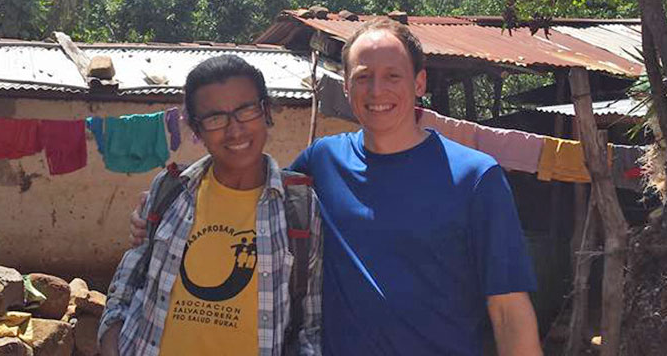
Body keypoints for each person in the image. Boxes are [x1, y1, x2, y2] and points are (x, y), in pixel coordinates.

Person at [131, 18, 541, 355]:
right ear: (346, 87)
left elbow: (508, 312)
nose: (377, 91)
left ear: (419, 83)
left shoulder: (475, 177)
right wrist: (161, 210)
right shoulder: (322, 163)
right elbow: (249, 194)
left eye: (392, 76)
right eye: (363, 78)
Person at [101, 55, 323, 356]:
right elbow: (131, 274)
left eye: (246, 110)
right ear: (197, 129)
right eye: (215, 118)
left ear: (265, 111)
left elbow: (311, 324)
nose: (234, 130)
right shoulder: (170, 189)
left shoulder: (300, 208)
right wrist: (111, 337)